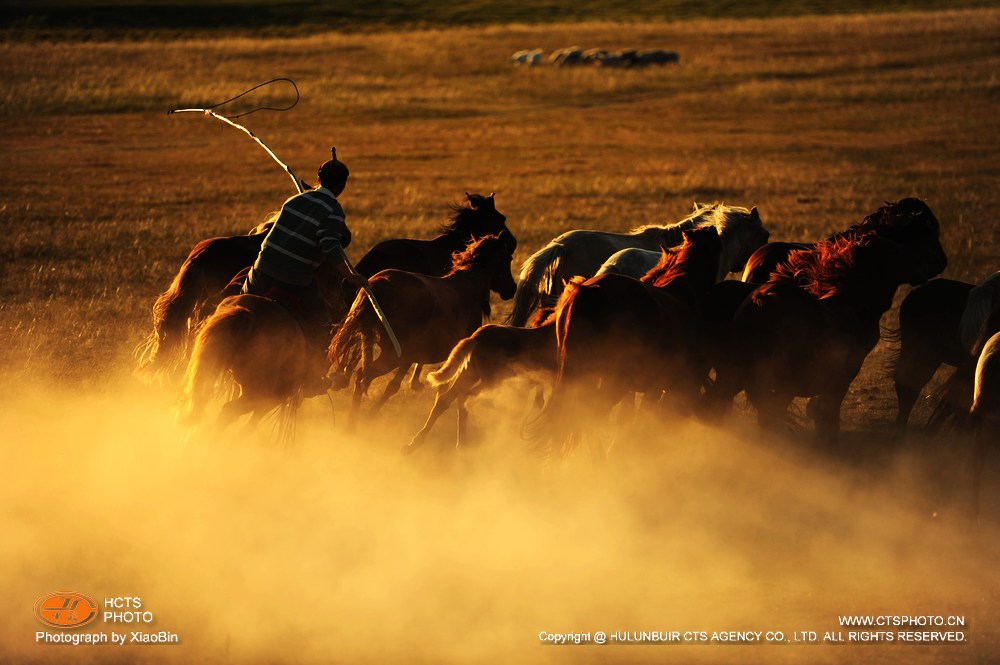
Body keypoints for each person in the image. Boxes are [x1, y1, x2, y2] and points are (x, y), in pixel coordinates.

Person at [242, 146, 368, 395]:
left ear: (318, 178)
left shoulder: (294, 200)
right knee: (322, 324)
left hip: (262, 267)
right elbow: (330, 245)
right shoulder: (334, 211)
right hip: (294, 278)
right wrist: (350, 274)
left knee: (237, 301)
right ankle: (311, 377)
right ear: (342, 186)